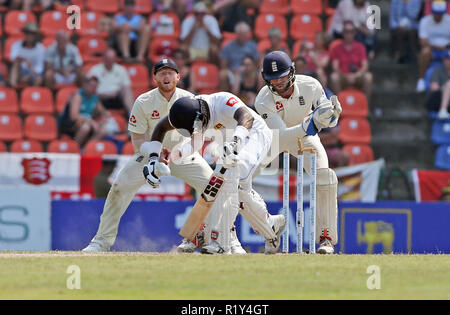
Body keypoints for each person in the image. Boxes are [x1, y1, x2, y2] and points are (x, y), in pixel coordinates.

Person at [82, 58, 246, 254]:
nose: (166, 76)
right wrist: (154, 154)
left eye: (170, 72)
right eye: (161, 73)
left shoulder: (191, 100)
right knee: (119, 187)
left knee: (215, 188)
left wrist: (177, 154)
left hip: (183, 153)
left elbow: (198, 138)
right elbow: (137, 140)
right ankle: (101, 242)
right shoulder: (143, 101)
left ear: (178, 76)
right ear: (154, 78)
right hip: (150, 154)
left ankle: (229, 240)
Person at [145, 92, 286, 254]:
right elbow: (161, 128)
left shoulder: (222, 100)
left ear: (201, 116)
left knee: (230, 177)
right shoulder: (188, 113)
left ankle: (220, 241)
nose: (196, 130)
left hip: (254, 134)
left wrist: (235, 142)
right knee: (238, 191)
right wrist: (163, 157)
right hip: (231, 144)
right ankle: (271, 227)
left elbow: (247, 117)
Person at [255, 51, 343, 254]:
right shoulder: (263, 99)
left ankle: (326, 238)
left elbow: (325, 116)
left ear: (292, 72)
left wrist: (331, 116)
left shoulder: (311, 86)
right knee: (242, 178)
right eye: (273, 79)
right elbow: (282, 135)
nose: (279, 83)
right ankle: (266, 232)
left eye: (283, 77)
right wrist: (309, 124)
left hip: (305, 137)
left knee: (326, 178)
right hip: (272, 139)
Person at [59, 76, 110, 149]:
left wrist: (106, 114)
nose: (93, 88)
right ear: (85, 85)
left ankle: (85, 150)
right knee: (85, 128)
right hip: (71, 123)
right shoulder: (78, 95)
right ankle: (74, 149)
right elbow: (73, 116)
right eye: (91, 86)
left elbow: (103, 111)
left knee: (103, 131)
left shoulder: (95, 97)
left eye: (95, 86)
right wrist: (91, 121)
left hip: (86, 122)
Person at [329, 21, 373, 100]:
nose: (349, 34)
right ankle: (338, 108)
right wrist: (345, 76)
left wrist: (357, 75)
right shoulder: (336, 48)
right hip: (343, 76)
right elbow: (335, 66)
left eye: (351, 32)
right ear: (343, 33)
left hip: (357, 76)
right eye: (346, 32)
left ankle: (366, 107)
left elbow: (365, 65)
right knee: (334, 77)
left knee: (368, 77)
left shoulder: (360, 47)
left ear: (354, 33)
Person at [87, 48, 134, 114]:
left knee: (127, 90)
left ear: (115, 59)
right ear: (103, 58)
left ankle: (132, 114)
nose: (110, 60)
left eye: (112, 58)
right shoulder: (95, 70)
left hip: (116, 98)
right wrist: (101, 94)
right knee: (92, 94)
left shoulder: (121, 69)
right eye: (108, 58)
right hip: (100, 98)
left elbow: (126, 85)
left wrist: (116, 92)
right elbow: (88, 87)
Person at [416, 0, 450, 92]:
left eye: (440, 14)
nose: (438, 16)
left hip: (447, 50)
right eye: (436, 14)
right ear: (432, 12)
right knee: (424, 52)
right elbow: (422, 42)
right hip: (432, 50)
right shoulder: (425, 21)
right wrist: (437, 47)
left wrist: (446, 47)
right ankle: (421, 80)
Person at [219, 21, 259, 92]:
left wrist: (250, 69)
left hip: (249, 71)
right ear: (237, 34)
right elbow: (223, 66)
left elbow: (256, 63)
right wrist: (234, 71)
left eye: (246, 34)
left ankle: (259, 98)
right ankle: (224, 98)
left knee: (261, 74)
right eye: (241, 34)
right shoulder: (228, 46)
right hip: (233, 72)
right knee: (223, 74)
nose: (244, 36)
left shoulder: (252, 46)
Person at [9, 22, 46, 88]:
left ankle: (31, 95)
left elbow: (40, 67)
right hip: (21, 71)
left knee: (39, 79)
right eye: (28, 33)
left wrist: (29, 76)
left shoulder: (41, 48)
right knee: (16, 64)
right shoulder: (16, 45)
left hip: (33, 73)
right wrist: (24, 59)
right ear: (25, 34)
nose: (30, 35)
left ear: (35, 36)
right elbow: (13, 58)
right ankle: (13, 88)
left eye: (32, 33)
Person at [425, 49, 450, 119]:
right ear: (443, 60)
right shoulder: (437, 71)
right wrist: (447, 89)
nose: (449, 61)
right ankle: (443, 110)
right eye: (447, 59)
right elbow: (434, 88)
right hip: (437, 100)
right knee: (449, 84)